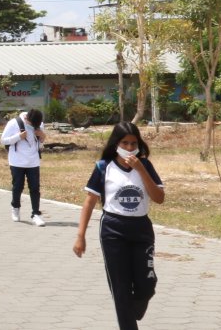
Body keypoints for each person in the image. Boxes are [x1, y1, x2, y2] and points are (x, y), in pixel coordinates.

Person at [73, 122, 164, 330]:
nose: (130, 148)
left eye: (134, 143)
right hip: (113, 229)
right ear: (116, 143)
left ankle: (130, 310)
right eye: (125, 143)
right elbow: (90, 200)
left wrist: (141, 169)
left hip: (141, 229)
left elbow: (159, 198)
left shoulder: (146, 166)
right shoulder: (103, 166)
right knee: (120, 289)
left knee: (146, 285)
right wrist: (81, 235)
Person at [1, 108, 46, 226]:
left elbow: (40, 143)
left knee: (35, 188)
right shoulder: (13, 123)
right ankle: (15, 208)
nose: (34, 126)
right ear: (26, 119)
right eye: (31, 124)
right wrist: (18, 137)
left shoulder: (38, 123)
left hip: (33, 161)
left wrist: (42, 135)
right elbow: (3, 141)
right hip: (17, 161)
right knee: (18, 187)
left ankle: (36, 214)